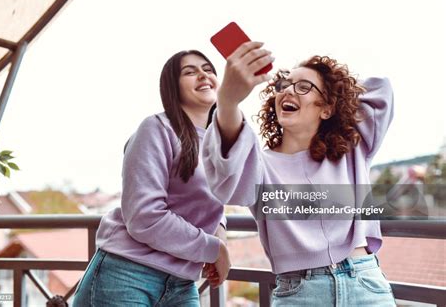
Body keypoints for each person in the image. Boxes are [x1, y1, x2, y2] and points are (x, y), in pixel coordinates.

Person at [202, 41, 396, 306]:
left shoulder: (352, 147)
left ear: (327, 108)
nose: (288, 91)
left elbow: (381, 89)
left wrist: (334, 84)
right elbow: (225, 174)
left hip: (364, 283)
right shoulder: (258, 164)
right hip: (300, 293)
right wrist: (227, 101)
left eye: (303, 87)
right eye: (284, 85)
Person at [72, 50, 230, 307]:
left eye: (208, 69)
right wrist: (213, 248)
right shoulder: (156, 128)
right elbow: (145, 216)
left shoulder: (221, 143)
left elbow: (217, 194)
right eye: (189, 71)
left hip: (182, 280)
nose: (203, 74)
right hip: (126, 274)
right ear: (172, 87)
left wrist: (219, 232)